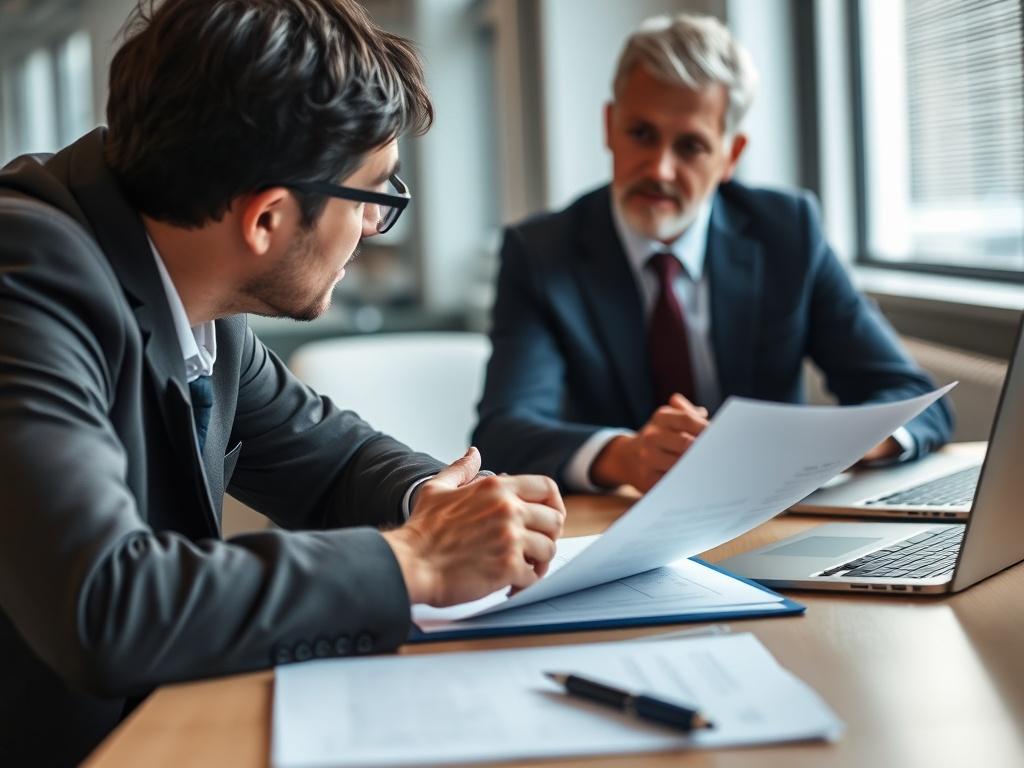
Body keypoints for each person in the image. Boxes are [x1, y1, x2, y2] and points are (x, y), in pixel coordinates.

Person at [0, 1, 565, 764]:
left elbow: (330, 458)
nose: (372, 229)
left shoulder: (194, 284)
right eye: (375, 197)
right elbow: (106, 604)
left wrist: (430, 501)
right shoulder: (25, 282)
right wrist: (420, 560)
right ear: (265, 219)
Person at [473, 13, 952, 493]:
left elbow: (916, 400)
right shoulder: (539, 253)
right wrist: (625, 456)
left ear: (730, 156)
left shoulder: (787, 231)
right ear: (609, 126)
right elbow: (503, 433)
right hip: (614, 524)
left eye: (691, 146)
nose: (660, 169)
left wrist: (842, 444)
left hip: (767, 516)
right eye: (641, 134)